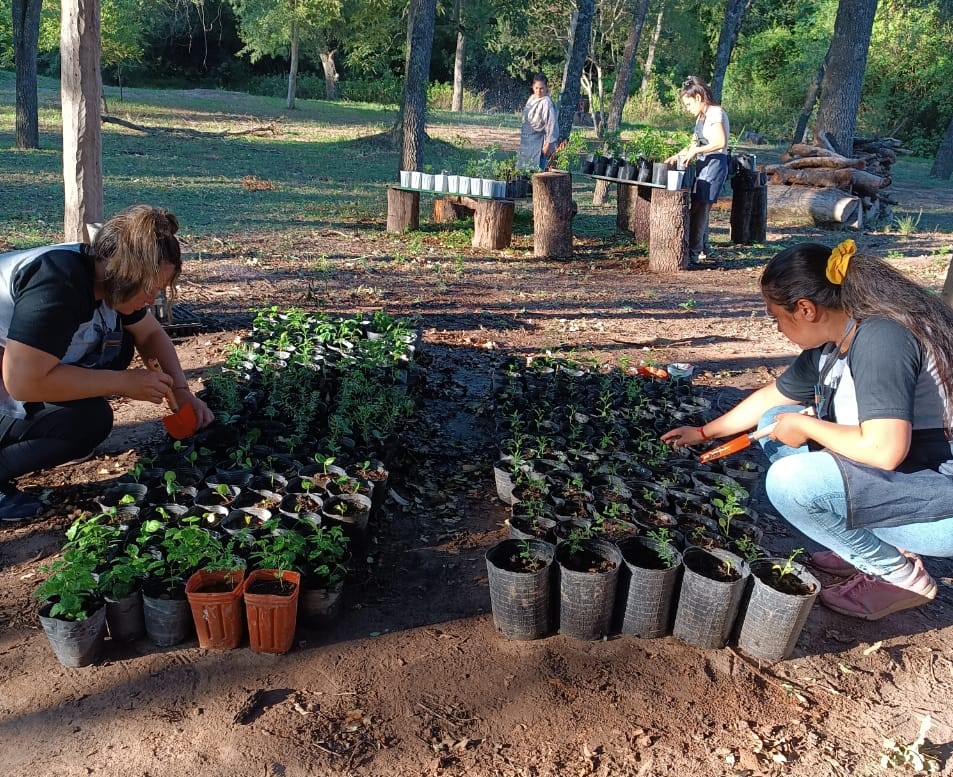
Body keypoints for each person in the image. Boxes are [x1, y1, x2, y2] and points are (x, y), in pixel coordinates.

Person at [661, 239, 953, 620]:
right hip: (909, 482)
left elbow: (885, 450)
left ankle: (897, 576)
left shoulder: (883, 339)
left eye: (776, 317)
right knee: (773, 421)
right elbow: (774, 396)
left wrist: (806, 424)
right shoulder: (837, 340)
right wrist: (704, 433)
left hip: (939, 507)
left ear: (805, 309)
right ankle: (863, 543)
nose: (779, 328)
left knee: (790, 482)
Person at [0, 204, 214, 523]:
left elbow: (151, 334)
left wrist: (181, 391)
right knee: (88, 421)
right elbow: (22, 382)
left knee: (120, 343)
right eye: (149, 289)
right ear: (127, 272)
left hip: (23, 369)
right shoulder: (58, 283)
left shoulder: (106, 275)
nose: (151, 299)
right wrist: (123, 382)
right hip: (15, 374)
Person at [665, 77, 730, 265]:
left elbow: (720, 143)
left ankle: (693, 254)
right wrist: (677, 156)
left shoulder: (715, 113)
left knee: (700, 209)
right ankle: (702, 248)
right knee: (699, 207)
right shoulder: (701, 118)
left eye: (688, 104)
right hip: (703, 164)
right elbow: (694, 144)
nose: (687, 108)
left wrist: (695, 151)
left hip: (715, 164)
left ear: (699, 97)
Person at [517, 74, 558, 172]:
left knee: (536, 174)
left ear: (546, 88)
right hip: (527, 142)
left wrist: (548, 145)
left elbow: (551, 125)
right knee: (523, 172)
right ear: (532, 87)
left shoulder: (546, 103)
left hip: (539, 144)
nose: (539, 91)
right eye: (536, 88)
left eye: (541, 88)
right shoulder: (531, 99)